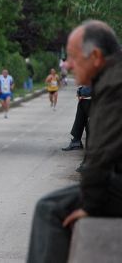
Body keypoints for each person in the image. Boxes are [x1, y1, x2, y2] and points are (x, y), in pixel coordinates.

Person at [27, 20, 122, 263]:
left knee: (50, 208)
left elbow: (100, 152)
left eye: (72, 57)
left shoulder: (113, 85)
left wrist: (90, 206)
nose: (67, 65)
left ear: (96, 56)